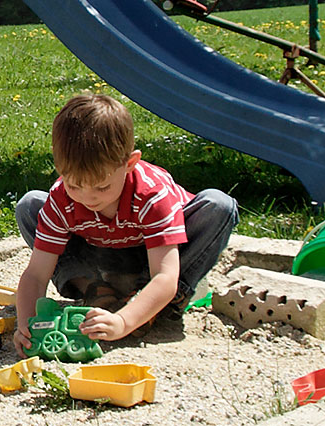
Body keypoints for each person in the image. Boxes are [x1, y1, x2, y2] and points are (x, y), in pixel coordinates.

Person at [12, 93, 238, 352]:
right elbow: (35, 274)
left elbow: (165, 275)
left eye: (102, 186)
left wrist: (123, 321)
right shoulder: (62, 197)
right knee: (31, 206)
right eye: (74, 185)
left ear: (130, 163)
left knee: (219, 206)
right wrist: (27, 325)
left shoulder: (151, 195)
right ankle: (94, 287)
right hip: (100, 254)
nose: (88, 198)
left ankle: (149, 301)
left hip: (158, 256)